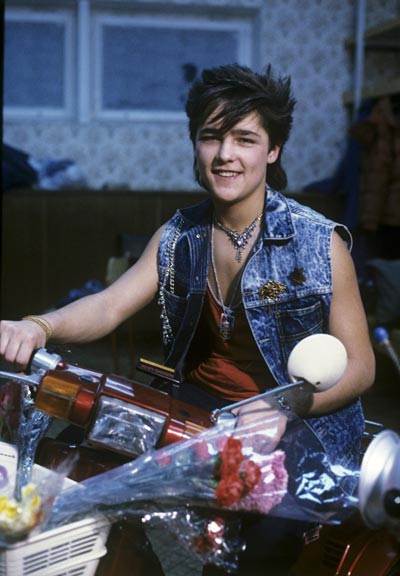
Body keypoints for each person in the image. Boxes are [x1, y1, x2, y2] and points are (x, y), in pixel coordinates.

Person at [0, 64, 375, 575]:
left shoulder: (319, 243)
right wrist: (37, 326)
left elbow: (361, 367)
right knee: (75, 464)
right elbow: (109, 305)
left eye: (245, 139)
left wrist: (286, 407)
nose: (225, 154)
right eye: (211, 137)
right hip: (202, 406)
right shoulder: (180, 236)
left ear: (273, 150)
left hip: (300, 417)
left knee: (266, 529)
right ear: (196, 144)